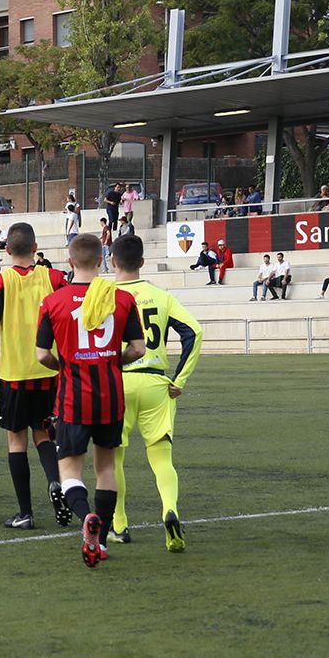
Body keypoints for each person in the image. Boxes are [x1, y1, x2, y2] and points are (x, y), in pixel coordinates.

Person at [35, 234, 146, 568]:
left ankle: (86, 520)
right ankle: (104, 535)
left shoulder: (53, 302)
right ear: (102, 260)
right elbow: (139, 349)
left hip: (73, 397)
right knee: (106, 467)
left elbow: (42, 355)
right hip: (110, 396)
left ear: (70, 263)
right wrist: (113, 361)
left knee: (69, 469)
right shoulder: (121, 298)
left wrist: (65, 365)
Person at [109, 234, 202, 550]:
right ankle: (170, 510)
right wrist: (180, 379)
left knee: (113, 458)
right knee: (162, 458)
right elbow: (194, 332)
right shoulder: (161, 296)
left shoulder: (103, 295)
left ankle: (119, 525)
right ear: (143, 263)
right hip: (155, 383)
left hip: (117, 382)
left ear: (112, 261)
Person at [0, 222, 68, 530]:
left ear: (6, 250)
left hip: (13, 374)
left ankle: (25, 512)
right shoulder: (54, 278)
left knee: (16, 441)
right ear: (36, 247)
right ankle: (56, 483)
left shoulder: (2, 281)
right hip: (47, 371)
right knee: (44, 434)